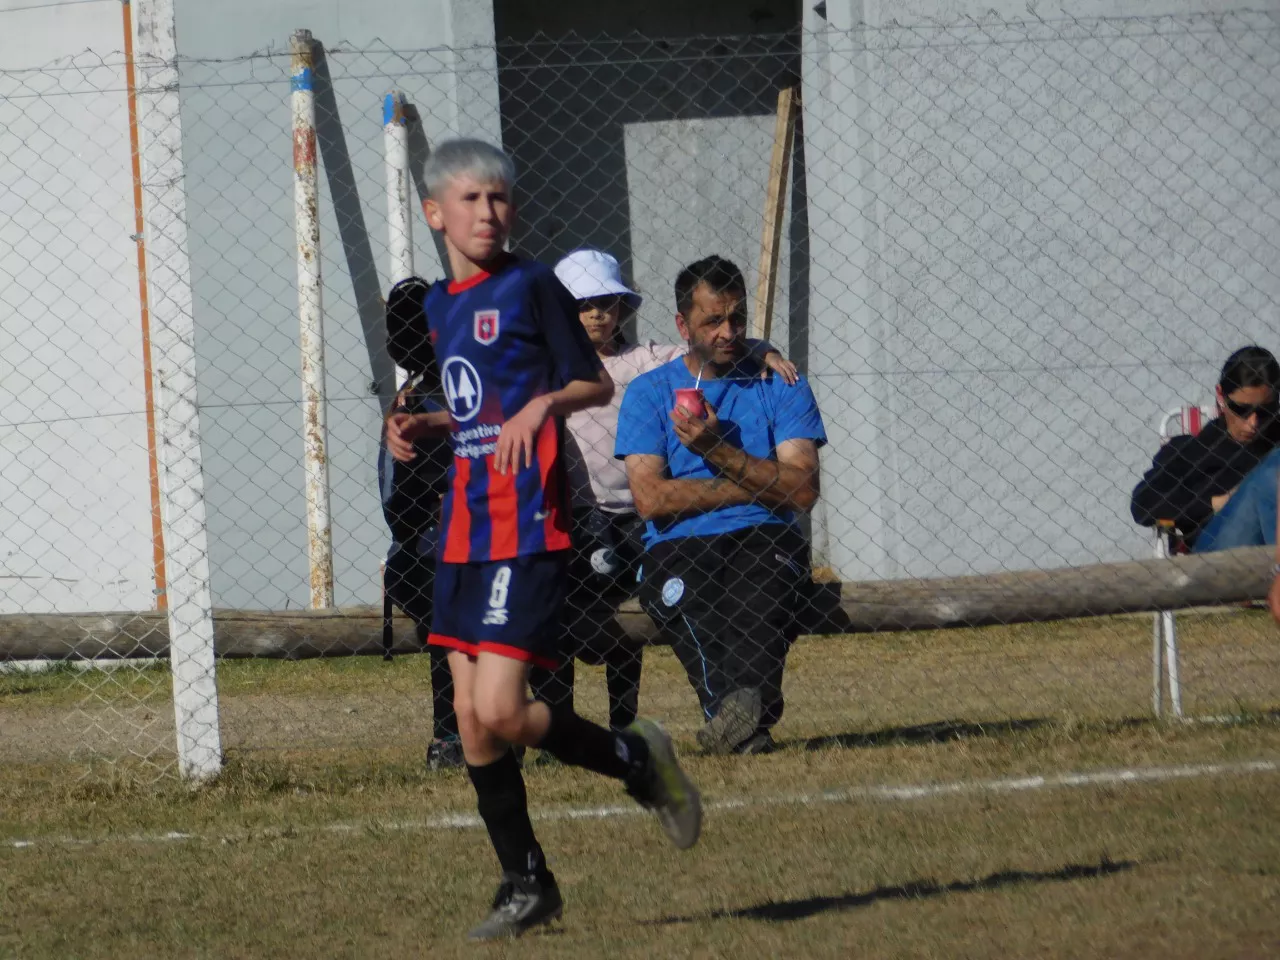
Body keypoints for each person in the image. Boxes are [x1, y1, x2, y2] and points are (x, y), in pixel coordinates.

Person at [384, 139, 701, 941]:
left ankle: (638, 764)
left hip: (525, 523)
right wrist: (430, 421)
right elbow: (477, 407)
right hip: (462, 525)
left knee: (501, 705)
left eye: (500, 200)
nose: (489, 213)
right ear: (435, 214)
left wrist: (543, 408)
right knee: (468, 716)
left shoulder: (532, 285)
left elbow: (592, 381)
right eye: (471, 201)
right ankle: (527, 882)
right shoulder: (442, 307)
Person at [530, 248, 798, 734]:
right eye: (584, 303)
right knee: (559, 606)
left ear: (622, 309)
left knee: (636, 613)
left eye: (608, 303)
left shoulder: (643, 360)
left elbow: (712, 343)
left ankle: (623, 719)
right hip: (576, 513)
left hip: (635, 510)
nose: (597, 313)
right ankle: (557, 718)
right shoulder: (544, 371)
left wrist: (764, 350)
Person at [615, 255, 827, 756]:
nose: (728, 331)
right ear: (682, 324)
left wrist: (715, 453)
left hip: (763, 533)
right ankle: (740, 724)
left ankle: (733, 725)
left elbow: (802, 490)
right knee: (693, 603)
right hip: (677, 540)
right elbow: (650, 499)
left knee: (760, 601)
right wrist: (755, 481)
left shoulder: (780, 382)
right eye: (713, 321)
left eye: (737, 318)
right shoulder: (650, 393)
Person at [379, 277, 462, 769]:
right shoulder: (407, 404)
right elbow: (398, 513)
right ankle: (450, 735)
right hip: (426, 549)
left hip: (493, 535)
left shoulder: (491, 388)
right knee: (441, 586)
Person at [1131, 346, 1280, 550]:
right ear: (1221, 396)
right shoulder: (1192, 450)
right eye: (1241, 410)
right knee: (1270, 478)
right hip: (1218, 551)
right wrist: (1216, 503)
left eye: (1265, 411)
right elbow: (1143, 502)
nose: (1252, 423)